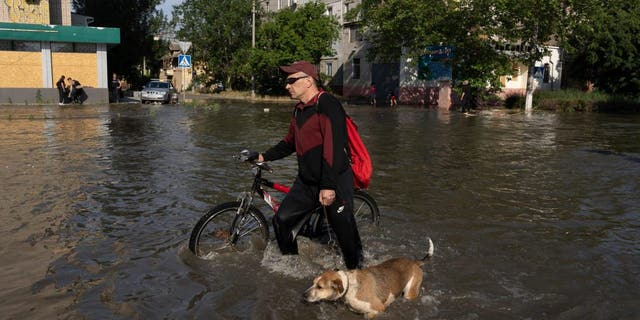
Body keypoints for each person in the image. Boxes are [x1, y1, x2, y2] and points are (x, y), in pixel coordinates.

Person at [251, 60, 363, 270]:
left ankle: (359, 275)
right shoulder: (299, 110)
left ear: (308, 81)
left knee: (344, 233)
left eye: (291, 80)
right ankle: (294, 267)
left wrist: (328, 185)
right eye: (287, 81)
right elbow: (289, 143)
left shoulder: (327, 104)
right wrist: (262, 156)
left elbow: (335, 147)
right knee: (282, 220)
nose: (287, 86)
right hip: (307, 181)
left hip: (334, 180)